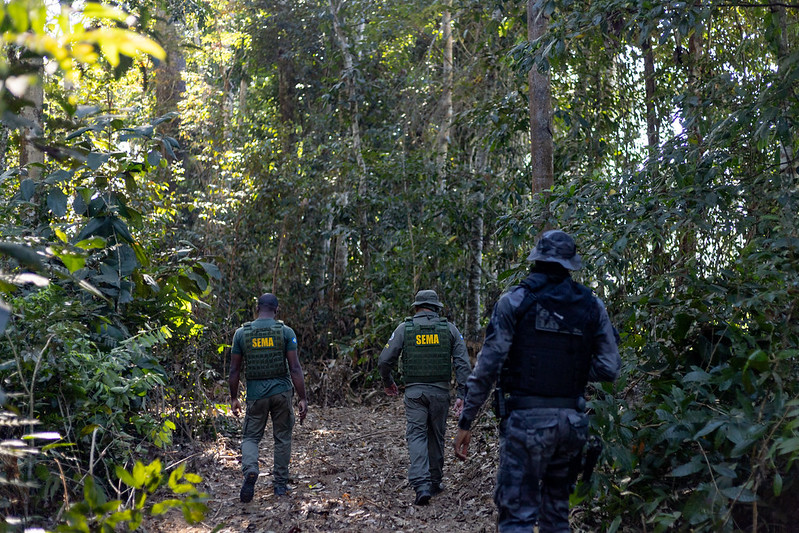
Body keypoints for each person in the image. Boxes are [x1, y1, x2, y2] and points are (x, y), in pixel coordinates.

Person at [454, 230, 621, 532]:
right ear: (570, 264)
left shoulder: (515, 302)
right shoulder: (591, 306)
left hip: (525, 424)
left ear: (536, 260)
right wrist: (573, 369)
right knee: (557, 516)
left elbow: (488, 367)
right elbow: (610, 367)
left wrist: (466, 421)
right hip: (571, 424)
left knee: (517, 516)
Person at [379, 289, 472, 506]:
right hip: (440, 393)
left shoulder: (405, 329)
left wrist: (387, 382)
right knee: (436, 435)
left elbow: (384, 360)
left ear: (417, 307)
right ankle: (434, 481)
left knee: (417, 434)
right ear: (436, 308)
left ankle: (421, 485)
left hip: (415, 393)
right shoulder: (449, 329)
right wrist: (462, 394)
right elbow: (463, 364)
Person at [229, 293, 308, 502]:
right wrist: (302, 397)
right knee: (282, 437)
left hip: (256, 396)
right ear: (276, 309)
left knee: (250, 437)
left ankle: (251, 470)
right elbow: (295, 367)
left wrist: (234, 397)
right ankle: (280, 486)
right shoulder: (285, 332)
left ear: (257, 308)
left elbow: (234, 370)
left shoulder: (241, 334)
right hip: (282, 393)